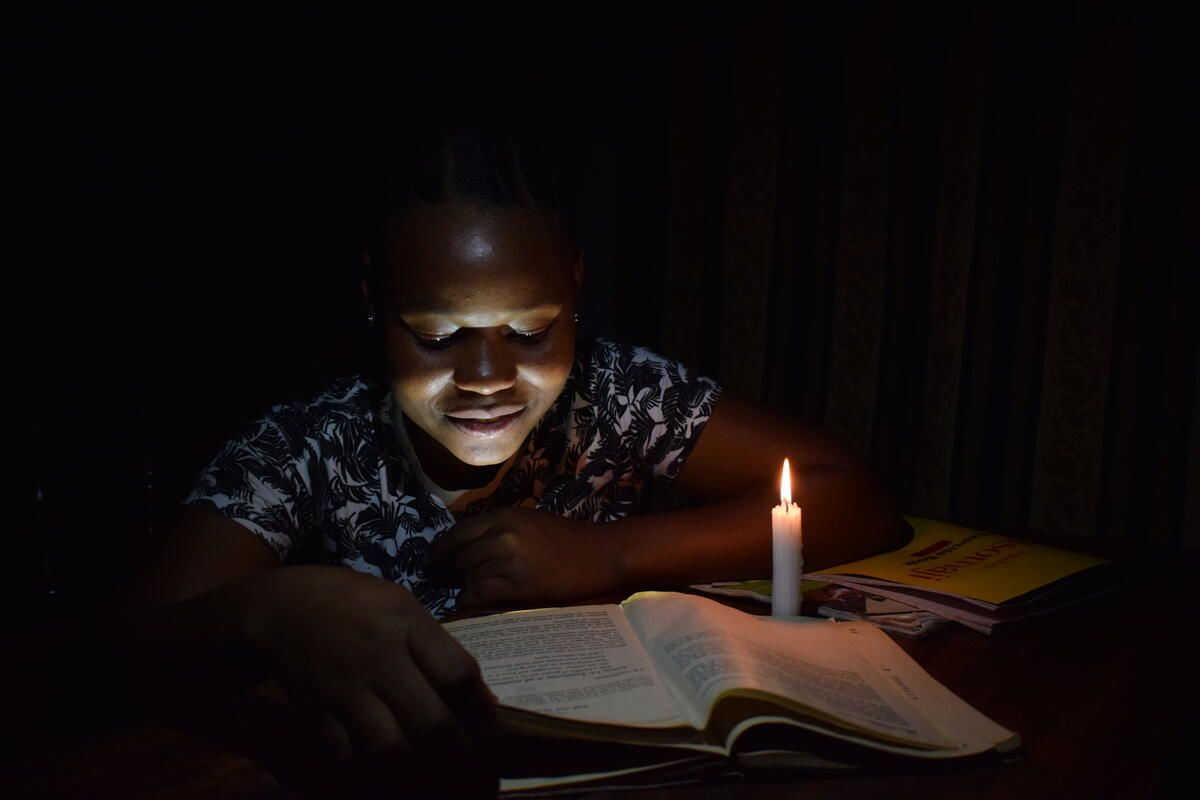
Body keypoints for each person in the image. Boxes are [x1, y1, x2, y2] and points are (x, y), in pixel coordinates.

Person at [100, 106, 908, 780]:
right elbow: (118, 642)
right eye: (436, 334)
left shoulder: (617, 393)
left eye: (531, 330)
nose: (486, 375)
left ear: (577, 288)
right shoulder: (311, 443)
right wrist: (269, 610)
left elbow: (853, 496)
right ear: (373, 300)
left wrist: (613, 555)